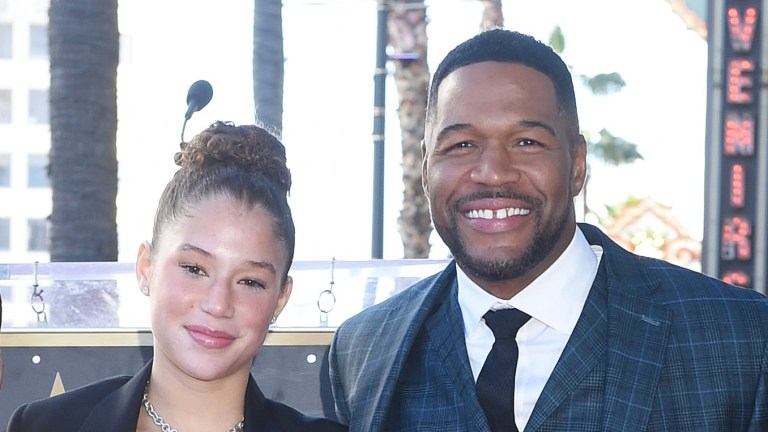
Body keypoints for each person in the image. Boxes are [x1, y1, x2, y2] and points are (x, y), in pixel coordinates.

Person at [329, 28, 768, 431]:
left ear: (577, 164)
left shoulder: (742, 339)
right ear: (425, 166)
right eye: (462, 144)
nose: (493, 173)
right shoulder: (362, 350)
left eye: (526, 142)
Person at [7, 121, 347, 432]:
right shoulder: (44, 425)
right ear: (146, 267)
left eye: (250, 281)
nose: (218, 304)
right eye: (194, 269)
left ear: (280, 299)